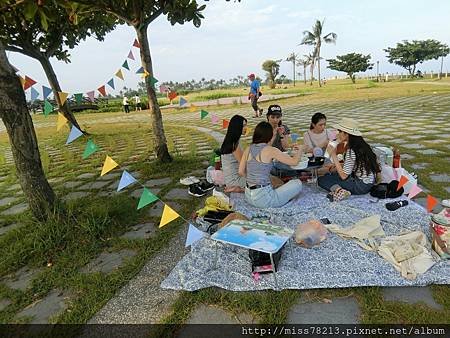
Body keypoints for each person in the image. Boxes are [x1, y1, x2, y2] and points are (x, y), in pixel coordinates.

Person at [239, 121, 305, 208]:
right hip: (265, 200)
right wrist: (300, 149)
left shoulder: (248, 148)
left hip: (249, 196)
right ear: (269, 136)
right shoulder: (271, 150)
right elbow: (294, 162)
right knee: (297, 183)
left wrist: (254, 180)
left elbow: (240, 171)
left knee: (274, 182)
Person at [318, 118, 379, 196]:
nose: (338, 134)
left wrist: (333, 154)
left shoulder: (352, 150)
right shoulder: (362, 145)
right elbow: (354, 164)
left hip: (361, 186)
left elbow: (344, 176)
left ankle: (340, 191)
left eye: (340, 131)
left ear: (346, 134)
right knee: (331, 175)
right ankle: (341, 189)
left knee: (322, 180)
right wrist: (336, 165)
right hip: (369, 182)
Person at [220, 115, 248, 193]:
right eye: (243, 126)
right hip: (235, 181)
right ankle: (239, 189)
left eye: (246, 125)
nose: (246, 128)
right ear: (237, 127)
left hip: (230, 179)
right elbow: (244, 166)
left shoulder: (231, 140)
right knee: (263, 181)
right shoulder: (234, 145)